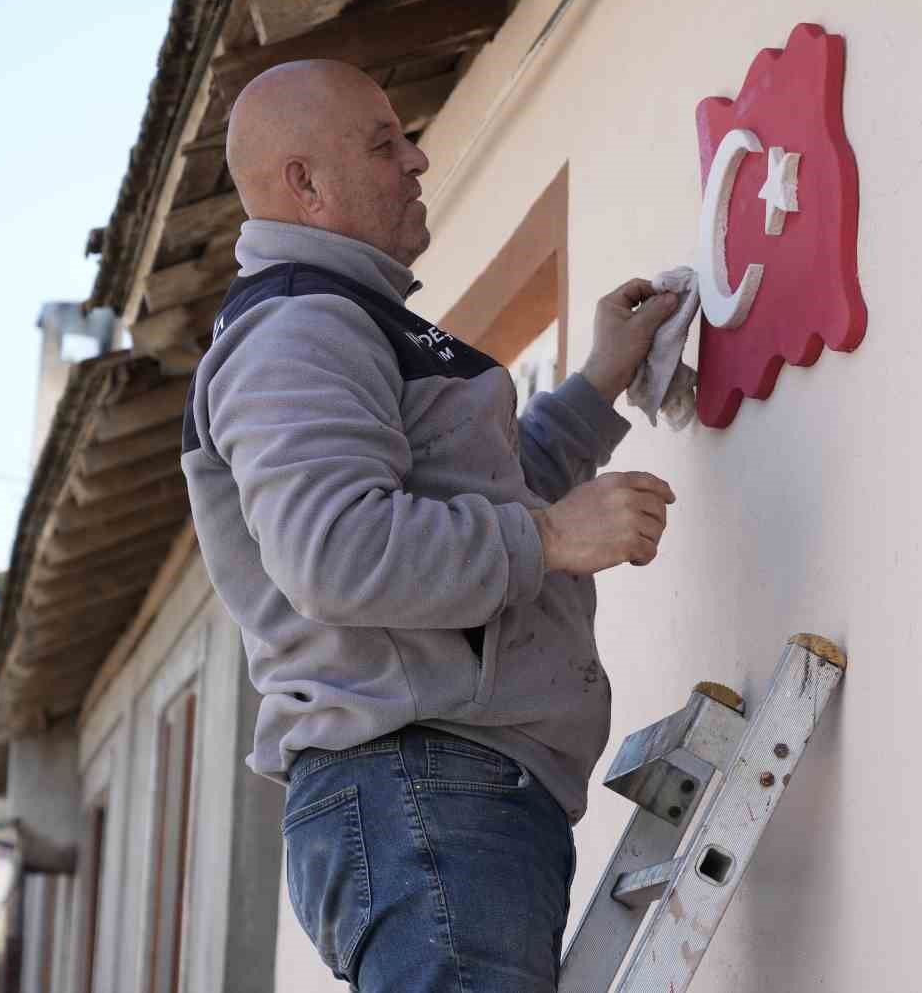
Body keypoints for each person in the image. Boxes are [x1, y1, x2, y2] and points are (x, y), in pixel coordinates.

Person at [181, 59, 680, 992]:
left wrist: (601, 381)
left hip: (441, 792)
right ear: (305, 184)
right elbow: (336, 552)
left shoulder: (353, 323)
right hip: (421, 785)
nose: (416, 158)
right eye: (382, 144)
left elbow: (490, 490)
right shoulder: (299, 328)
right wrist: (553, 539)